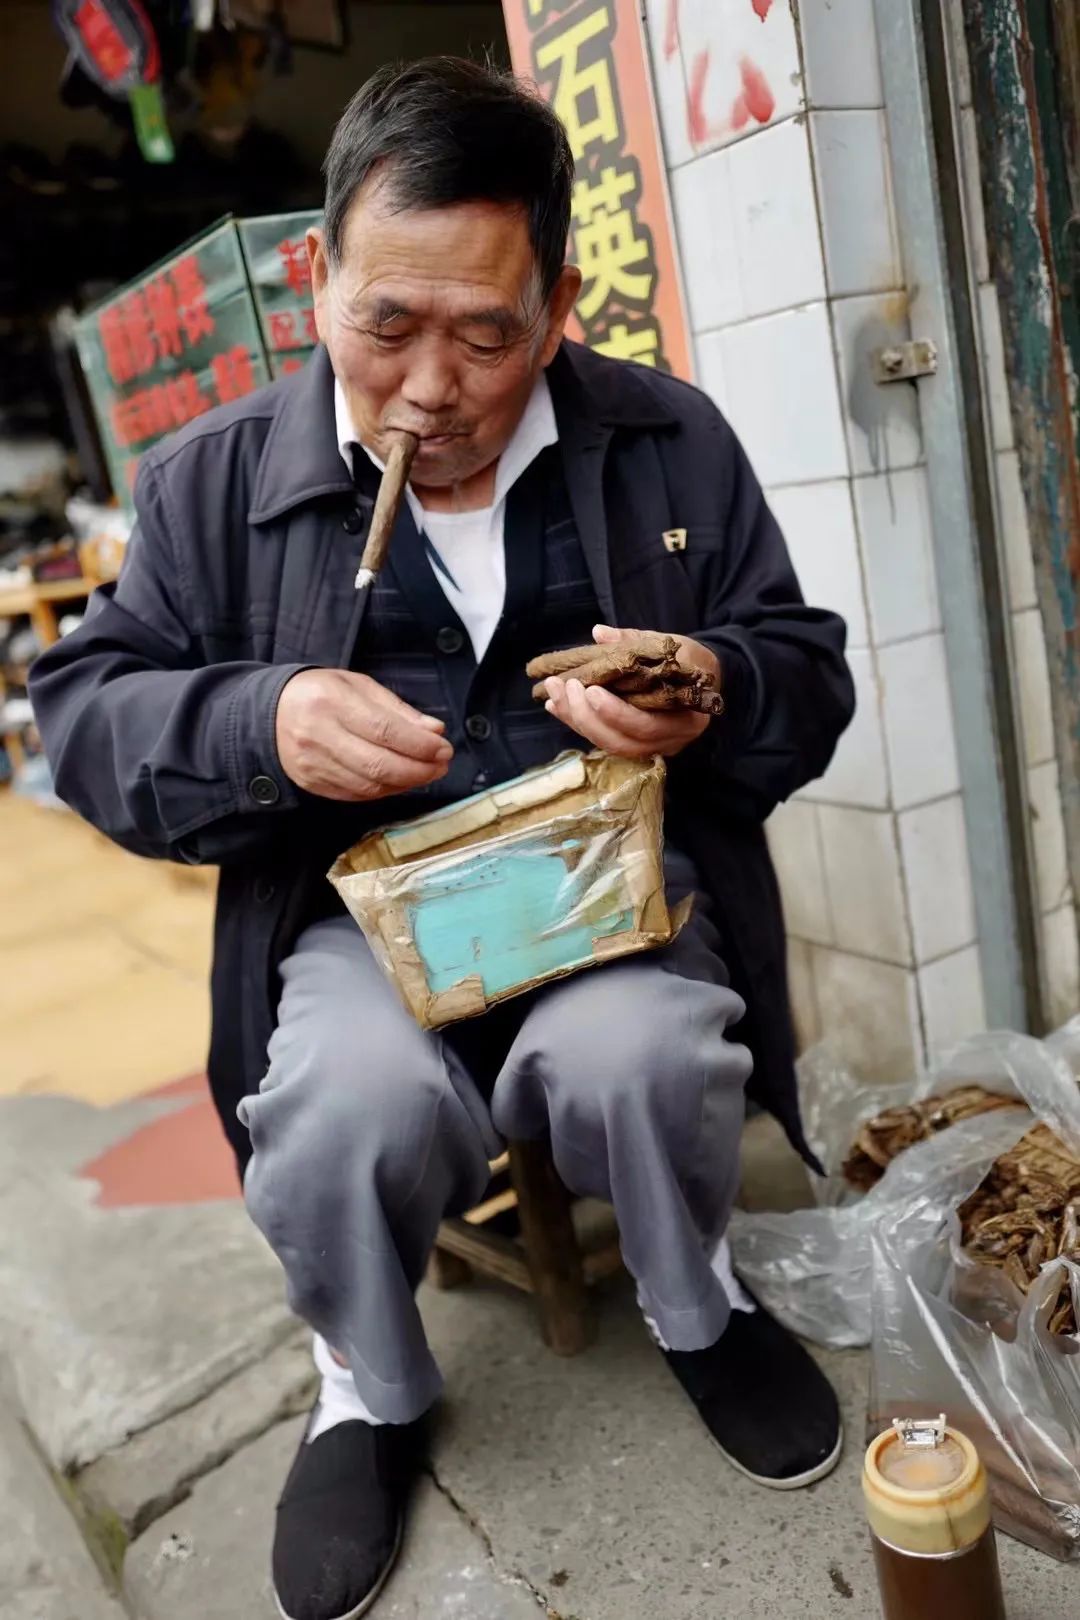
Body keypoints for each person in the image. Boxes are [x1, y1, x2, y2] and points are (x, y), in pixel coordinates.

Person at [32, 58, 855, 1620]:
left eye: (486, 334)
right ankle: (373, 1387)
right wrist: (257, 723)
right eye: (384, 325)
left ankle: (699, 1306)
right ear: (315, 277)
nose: (428, 388)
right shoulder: (215, 484)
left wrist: (714, 683)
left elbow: (799, 666)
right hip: (356, 923)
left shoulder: (665, 441)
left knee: (653, 1059)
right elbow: (88, 717)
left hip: (600, 893)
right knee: (339, 1110)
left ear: (558, 305)